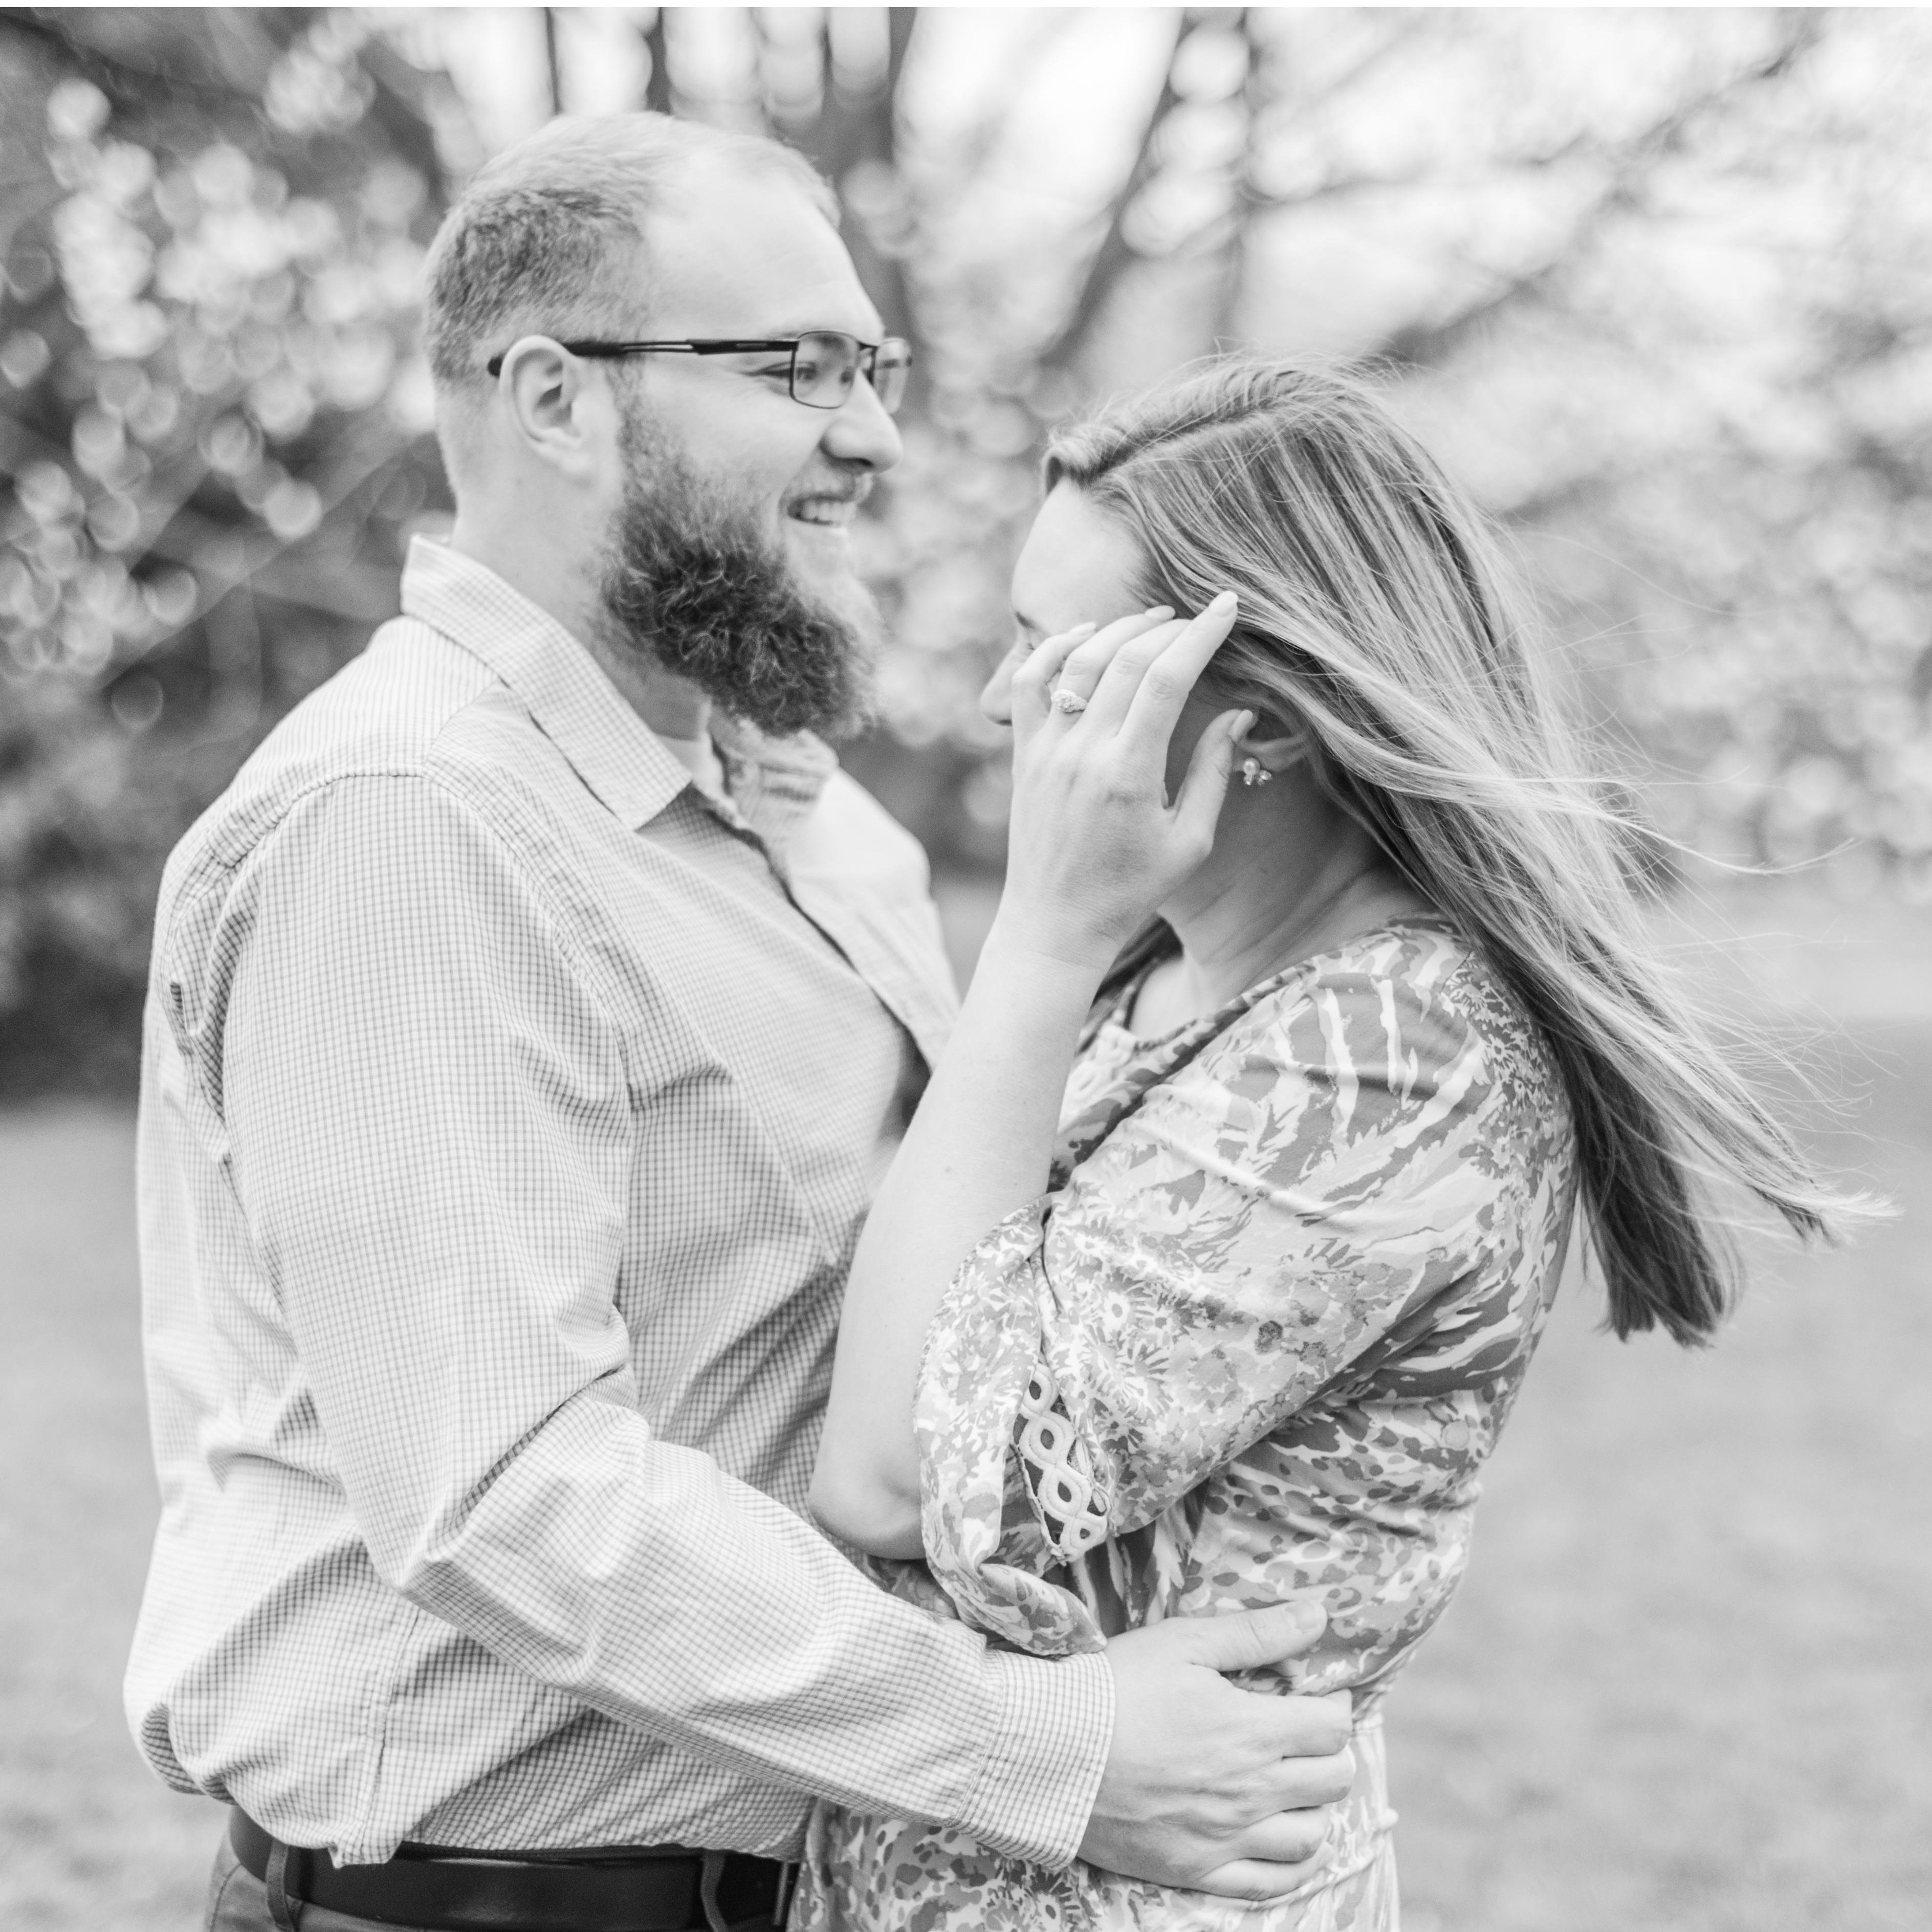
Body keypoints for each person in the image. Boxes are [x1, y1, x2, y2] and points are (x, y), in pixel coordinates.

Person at [126, 119, 1357, 1932]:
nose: (873, 432)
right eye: (801, 368)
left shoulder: (811, 814)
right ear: (557, 399)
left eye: (877, 367)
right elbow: (509, 1494)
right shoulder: (411, 823)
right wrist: (1054, 1750)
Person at [804, 360, 1869, 1929]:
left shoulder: (1388, 1060)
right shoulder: (1173, 973)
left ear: (1258, 724)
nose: (999, 702)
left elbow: (898, 1480)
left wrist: (1034, 937)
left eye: (1057, 655)